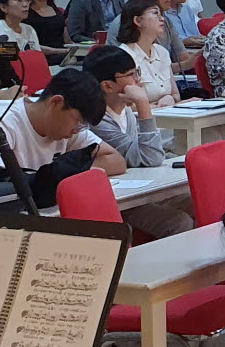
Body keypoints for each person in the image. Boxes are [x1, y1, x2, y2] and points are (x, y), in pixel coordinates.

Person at [82, 46, 193, 237]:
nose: (138, 80)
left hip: (142, 190)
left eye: (137, 72)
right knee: (179, 222)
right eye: (131, 75)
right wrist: (143, 105)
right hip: (120, 201)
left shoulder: (125, 112)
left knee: (201, 200)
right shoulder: (98, 122)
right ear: (107, 86)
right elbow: (150, 158)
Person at [0, 67, 128, 175]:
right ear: (56, 102)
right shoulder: (2, 123)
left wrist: (72, 172)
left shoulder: (68, 126)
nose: (76, 131)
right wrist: (53, 176)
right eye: (78, 121)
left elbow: (117, 160)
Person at [117, 0, 181, 106]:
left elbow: (176, 94)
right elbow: (125, 104)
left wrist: (171, 98)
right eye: (155, 13)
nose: (162, 18)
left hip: (168, 112)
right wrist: (156, 106)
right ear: (138, 21)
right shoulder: (124, 56)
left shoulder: (162, 52)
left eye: (161, 14)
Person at [129, 0, 195, 70]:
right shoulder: (129, 21)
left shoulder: (166, 20)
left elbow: (182, 56)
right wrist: (187, 64)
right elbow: (146, 68)